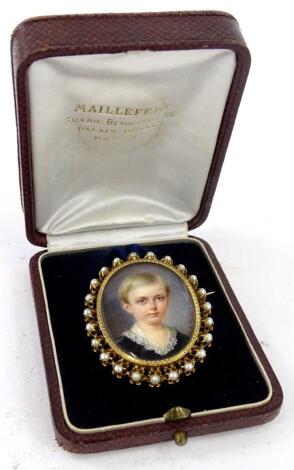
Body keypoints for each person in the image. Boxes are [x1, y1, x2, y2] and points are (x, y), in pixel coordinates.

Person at [116, 272, 189, 360]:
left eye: (159, 298)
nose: (153, 306)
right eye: (142, 301)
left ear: (167, 300)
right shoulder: (122, 345)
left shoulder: (184, 340)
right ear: (127, 307)